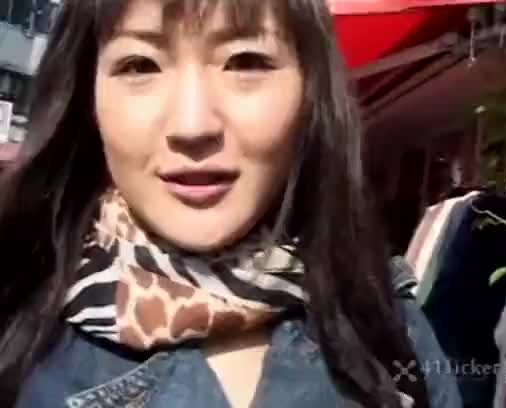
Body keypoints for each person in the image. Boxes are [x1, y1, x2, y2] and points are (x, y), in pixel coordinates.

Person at [0, 1, 461, 407]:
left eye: (245, 61)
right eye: (140, 65)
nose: (193, 124)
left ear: (310, 94)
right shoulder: (15, 321)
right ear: (87, 99)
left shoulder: (391, 332)